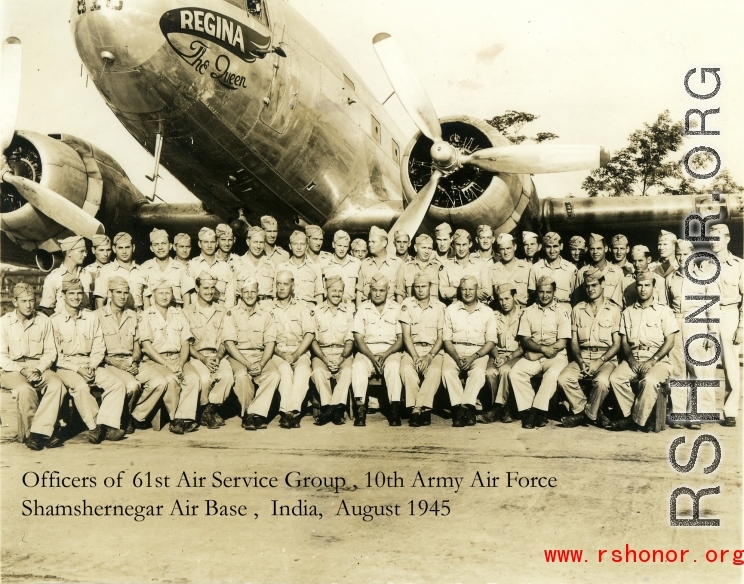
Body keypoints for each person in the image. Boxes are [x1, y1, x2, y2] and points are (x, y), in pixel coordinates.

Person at [51, 274, 126, 444]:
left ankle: (105, 424)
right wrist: (78, 369)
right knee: (81, 387)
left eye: (79, 293)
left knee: (117, 384)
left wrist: (92, 365)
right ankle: (96, 427)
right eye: (71, 294)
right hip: (66, 367)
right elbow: (56, 356)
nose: (76, 297)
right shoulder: (54, 321)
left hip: (89, 363)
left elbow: (99, 346)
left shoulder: (91, 317)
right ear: (63, 296)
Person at [607, 271, 678, 431]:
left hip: (658, 360)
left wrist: (653, 360)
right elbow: (624, 341)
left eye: (647, 285)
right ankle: (636, 417)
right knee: (616, 378)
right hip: (634, 357)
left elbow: (670, 341)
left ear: (654, 287)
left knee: (650, 381)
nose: (643, 289)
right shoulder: (628, 312)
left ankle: (634, 421)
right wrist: (631, 360)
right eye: (640, 285)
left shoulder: (664, 311)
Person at [0, 283, 65, 450]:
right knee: (24, 389)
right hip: (12, 369)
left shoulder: (43, 320)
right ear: (15, 302)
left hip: (38, 367)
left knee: (57, 385)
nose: (29, 305)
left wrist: (38, 369)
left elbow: (50, 352)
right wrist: (22, 370)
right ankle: (35, 433)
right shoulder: (4, 323)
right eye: (24, 301)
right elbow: (1, 356)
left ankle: (37, 434)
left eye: (32, 300)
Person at [558, 268, 622, 428]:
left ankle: (583, 415)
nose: (590, 289)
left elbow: (617, 344)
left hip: (606, 359)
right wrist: (580, 361)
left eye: (594, 285)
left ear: (603, 284)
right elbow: (573, 342)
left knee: (601, 382)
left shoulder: (613, 310)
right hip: (583, 356)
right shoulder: (578, 309)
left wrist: (599, 361)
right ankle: (590, 413)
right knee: (563, 379)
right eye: (587, 286)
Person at [665, 240, 719, 429]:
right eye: (678, 254)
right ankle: (679, 413)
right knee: (677, 369)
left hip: (697, 323)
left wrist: (712, 332)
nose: (681, 258)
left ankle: (696, 414)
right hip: (676, 323)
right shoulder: (671, 278)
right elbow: (666, 304)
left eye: (684, 254)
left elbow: (712, 307)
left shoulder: (703, 276)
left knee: (697, 369)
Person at [138, 280, 201, 435]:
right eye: (160, 293)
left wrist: (180, 362)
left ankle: (183, 418)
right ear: (153, 295)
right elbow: (147, 347)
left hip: (178, 358)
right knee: (171, 379)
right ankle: (174, 418)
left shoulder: (178, 313)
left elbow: (185, 342)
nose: (164, 296)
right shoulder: (146, 315)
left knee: (193, 377)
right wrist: (168, 365)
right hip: (155, 361)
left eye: (168, 292)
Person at [509, 275, 571, 429]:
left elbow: (562, 342)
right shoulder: (528, 312)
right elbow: (525, 340)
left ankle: (537, 411)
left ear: (554, 292)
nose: (545, 295)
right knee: (515, 372)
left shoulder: (562, 312)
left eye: (548, 292)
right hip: (535, 353)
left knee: (552, 374)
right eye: (541, 292)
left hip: (556, 356)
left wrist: (541, 353)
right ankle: (531, 410)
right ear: (537, 292)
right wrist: (541, 349)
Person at [223, 278, 282, 431]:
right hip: (238, 356)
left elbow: (270, 343)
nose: (249, 295)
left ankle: (255, 413)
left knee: (274, 374)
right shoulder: (231, 313)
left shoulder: (266, 314)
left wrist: (261, 363)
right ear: (240, 293)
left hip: (260, 355)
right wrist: (248, 364)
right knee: (242, 376)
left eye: (253, 292)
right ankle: (248, 413)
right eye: (246, 292)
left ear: (258, 293)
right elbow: (229, 344)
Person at [442, 274, 497, 427]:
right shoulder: (450, 310)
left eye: (471, 289)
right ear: (460, 291)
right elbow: (447, 340)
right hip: (455, 350)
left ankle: (465, 408)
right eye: (464, 289)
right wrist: (457, 357)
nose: (467, 293)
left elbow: (491, 341)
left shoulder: (487, 311)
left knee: (478, 373)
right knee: (447, 372)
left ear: (476, 290)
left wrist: (473, 357)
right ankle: (463, 408)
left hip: (478, 351)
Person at [351, 273, 403, 426]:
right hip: (368, 350)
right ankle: (360, 408)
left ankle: (394, 408)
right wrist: (372, 356)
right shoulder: (363, 308)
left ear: (388, 290)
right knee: (358, 365)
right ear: (370, 290)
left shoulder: (396, 308)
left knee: (394, 366)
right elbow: (358, 339)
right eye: (374, 290)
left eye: (381, 290)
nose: (378, 294)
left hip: (391, 350)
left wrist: (386, 354)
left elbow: (400, 339)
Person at [184, 272, 234, 429]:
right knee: (204, 378)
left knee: (227, 376)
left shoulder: (223, 311)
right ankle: (205, 412)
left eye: (212, 288)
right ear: (197, 288)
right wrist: (203, 358)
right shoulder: (186, 312)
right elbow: (185, 343)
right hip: (196, 357)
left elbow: (226, 339)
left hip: (218, 356)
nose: (209, 292)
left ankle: (208, 411)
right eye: (205, 288)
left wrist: (218, 357)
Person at [95, 276, 144, 435]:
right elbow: (95, 351)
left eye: (125, 293)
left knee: (145, 382)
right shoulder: (97, 316)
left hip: (129, 362)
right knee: (132, 385)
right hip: (108, 363)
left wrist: (135, 360)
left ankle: (124, 416)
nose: (122, 296)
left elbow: (137, 344)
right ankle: (121, 418)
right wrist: (116, 363)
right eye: (118, 292)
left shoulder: (132, 315)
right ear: (109, 293)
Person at [271, 270, 316, 429]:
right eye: (278, 284)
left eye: (285, 284)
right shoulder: (269, 308)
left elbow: (309, 334)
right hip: (277, 351)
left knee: (303, 369)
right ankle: (287, 413)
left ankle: (291, 411)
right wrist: (282, 354)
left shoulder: (302, 306)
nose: (281, 288)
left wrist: (296, 355)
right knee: (284, 370)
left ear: (293, 286)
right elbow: (267, 339)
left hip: (299, 350)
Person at [399, 273, 445, 427]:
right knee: (406, 368)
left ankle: (418, 409)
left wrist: (430, 356)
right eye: (417, 287)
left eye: (423, 286)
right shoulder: (407, 304)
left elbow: (441, 337)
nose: (420, 290)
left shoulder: (440, 307)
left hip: (434, 350)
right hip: (413, 349)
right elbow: (406, 336)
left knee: (434, 371)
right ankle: (420, 409)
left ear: (430, 287)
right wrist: (416, 356)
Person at [709, 223, 743, 427]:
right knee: (705, 363)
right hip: (709, 315)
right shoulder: (704, 264)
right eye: (711, 238)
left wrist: (741, 327)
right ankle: (704, 408)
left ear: (727, 239)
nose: (713, 242)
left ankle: (730, 412)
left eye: (717, 238)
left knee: (731, 366)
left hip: (730, 314)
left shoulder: (739, 265)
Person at [311, 275, 355, 425]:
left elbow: (350, 340)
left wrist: (341, 358)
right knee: (318, 372)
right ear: (325, 291)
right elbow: (313, 340)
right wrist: (325, 359)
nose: (337, 294)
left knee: (348, 371)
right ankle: (334, 409)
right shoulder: (316, 311)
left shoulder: (349, 312)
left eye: (340, 291)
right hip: (322, 354)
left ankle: (330, 411)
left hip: (343, 353)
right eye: (333, 290)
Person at [478, 283, 524, 424]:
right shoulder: (495, 315)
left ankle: (499, 408)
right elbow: (491, 340)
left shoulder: (523, 314)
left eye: (507, 298)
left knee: (505, 370)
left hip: (516, 355)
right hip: (498, 353)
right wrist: (497, 356)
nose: (504, 303)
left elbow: (525, 345)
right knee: (490, 372)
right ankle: (502, 410)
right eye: (501, 299)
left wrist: (508, 357)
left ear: (514, 297)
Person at [39, 235, 92, 315]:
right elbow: (47, 309)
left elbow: (89, 305)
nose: (85, 255)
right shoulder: (53, 278)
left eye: (86, 251)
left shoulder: (86, 275)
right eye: (81, 251)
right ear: (69, 252)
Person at [141, 229, 194, 308]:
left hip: (176, 314)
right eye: (156, 244)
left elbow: (187, 297)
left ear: (170, 246)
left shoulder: (181, 269)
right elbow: (146, 299)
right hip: (154, 315)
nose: (160, 248)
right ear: (151, 248)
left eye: (163, 243)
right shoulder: (145, 268)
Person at [94, 232, 147, 311]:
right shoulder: (106, 270)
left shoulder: (141, 270)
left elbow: (146, 299)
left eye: (127, 247)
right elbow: (99, 301)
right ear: (114, 249)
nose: (124, 252)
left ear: (133, 247)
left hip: (138, 314)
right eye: (120, 248)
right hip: (115, 315)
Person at [438, 229, 491, 304]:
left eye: (464, 245)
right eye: (458, 245)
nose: (461, 249)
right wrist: (474, 292)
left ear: (470, 244)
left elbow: (487, 291)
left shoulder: (481, 264)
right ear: (453, 245)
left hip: (478, 308)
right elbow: (443, 292)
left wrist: (454, 291)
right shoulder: (446, 266)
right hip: (455, 308)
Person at [188, 227, 236, 308]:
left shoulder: (225, 266)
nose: (209, 246)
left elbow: (230, 297)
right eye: (206, 242)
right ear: (199, 244)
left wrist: (225, 313)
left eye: (212, 242)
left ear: (216, 243)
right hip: (199, 312)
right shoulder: (192, 266)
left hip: (221, 311)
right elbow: (191, 295)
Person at [528, 232, 577, 309]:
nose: (552, 251)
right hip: (542, 311)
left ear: (561, 246)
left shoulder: (571, 269)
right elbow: (532, 295)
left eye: (555, 246)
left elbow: (576, 296)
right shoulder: (535, 268)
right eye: (548, 247)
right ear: (543, 247)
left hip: (564, 310)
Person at [356, 226, 402, 308]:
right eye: (369, 242)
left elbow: (400, 292)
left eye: (373, 242)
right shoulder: (365, 264)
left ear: (384, 243)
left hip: (390, 310)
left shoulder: (397, 263)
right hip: (368, 310)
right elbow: (359, 291)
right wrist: (358, 311)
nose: (369, 245)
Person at [574, 233, 624, 306]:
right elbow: (577, 301)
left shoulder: (617, 272)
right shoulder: (582, 272)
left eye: (599, 248)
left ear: (606, 248)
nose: (595, 252)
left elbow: (619, 302)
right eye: (592, 249)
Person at [276, 231, 324, 305]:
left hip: (308, 310)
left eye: (302, 244)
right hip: (288, 310)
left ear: (307, 246)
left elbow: (319, 295)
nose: (299, 247)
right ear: (290, 246)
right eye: (295, 244)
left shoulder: (315, 268)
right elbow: (275, 294)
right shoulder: (281, 267)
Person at [396, 233, 441, 302]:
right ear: (416, 248)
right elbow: (400, 294)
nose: (427, 251)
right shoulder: (404, 268)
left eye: (429, 248)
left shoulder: (438, 268)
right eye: (423, 248)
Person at [236, 226, 276, 303]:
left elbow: (275, 294)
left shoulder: (271, 264)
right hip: (244, 309)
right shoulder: (237, 264)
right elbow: (232, 294)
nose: (258, 246)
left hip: (266, 307)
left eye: (261, 242)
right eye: (255, 242)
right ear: (248, 242)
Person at [490, 233, 531, 307]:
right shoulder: (492, 270)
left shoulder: (527, 268)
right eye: (502, 249)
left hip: (523, 311)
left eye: (508, 248)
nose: (505, 252)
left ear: (515, 247)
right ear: (498, 251)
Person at [323, 230, 361, 307]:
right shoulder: (324, 263)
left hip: (349, 307)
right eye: (339, 245)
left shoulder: (357, 263)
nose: (342, 249)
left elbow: (359, 289)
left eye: (345, 246)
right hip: (330, 307)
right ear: (333, 244)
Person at [82, 234, 112, 302]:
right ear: (93, 250)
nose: (105, 254)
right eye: (101, 250)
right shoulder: (87, 271)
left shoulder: (116, 268)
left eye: (108, 250)